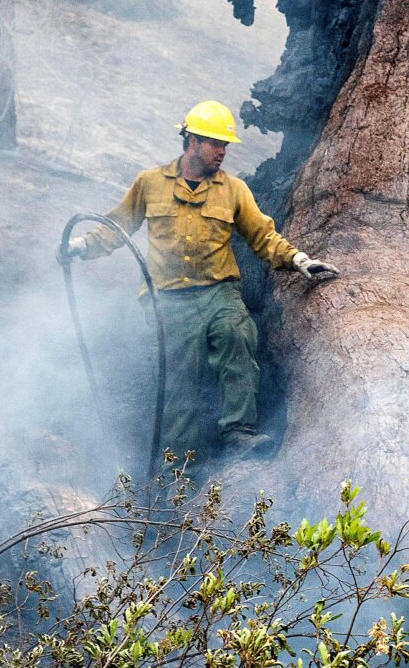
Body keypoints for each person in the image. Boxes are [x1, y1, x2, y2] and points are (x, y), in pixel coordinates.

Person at [61, 100, 337, 460]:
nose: (222, 152)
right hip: (168, 299)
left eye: (225, 146)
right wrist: (79, 246)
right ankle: (179, 474)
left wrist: (298, 260)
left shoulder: (234, 190)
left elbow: (262, 235)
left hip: (219, 293)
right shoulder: (150, 183)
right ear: (192, 141)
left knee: (237, 335)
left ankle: (239, 432)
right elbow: (117, 228)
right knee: (180, 386)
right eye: (215, 144)